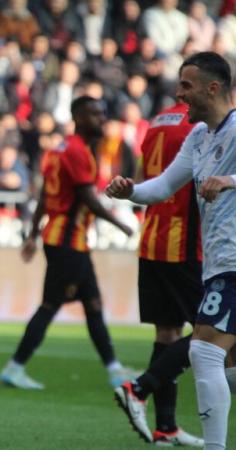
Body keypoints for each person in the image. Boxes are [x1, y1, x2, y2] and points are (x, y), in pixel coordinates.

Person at [107, 51, 236, 450]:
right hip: (215, 261)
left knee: (202, 350)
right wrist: (132, 192)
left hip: (233, 261)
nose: (179, 94)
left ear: (212, 88)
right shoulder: (197, 137)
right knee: (225, 364)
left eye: (186, 85)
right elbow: (162, 187)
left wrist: (230, 180)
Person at [0, 96, 136, 391]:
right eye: (95, 113)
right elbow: (87, 197)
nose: (102, 118)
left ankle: (114, 371)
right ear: (78, 117)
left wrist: (33, 235)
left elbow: (45, 197)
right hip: (67, 241)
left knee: (93, 304)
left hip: (66, 240)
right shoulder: (77, 151)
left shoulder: (59, 150)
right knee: (50, 306)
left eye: (102, 112)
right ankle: (15, 366)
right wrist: (121, 224)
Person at [113, 101, 204, 447]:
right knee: (215, 332)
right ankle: (139, 387)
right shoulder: (202, 126)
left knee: (167, 332)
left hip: (152, 236)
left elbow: (143, 172)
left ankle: (165, 426)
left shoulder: (156, 122)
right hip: (184, 243)